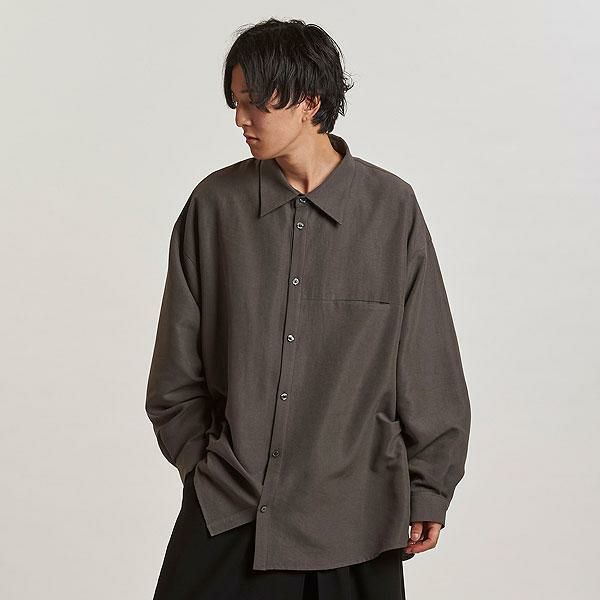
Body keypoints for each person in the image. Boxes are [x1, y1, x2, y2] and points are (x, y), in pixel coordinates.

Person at [145, 17, 471, 600]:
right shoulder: (214, 207)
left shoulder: (391, 209)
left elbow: (428, 363)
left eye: (255, 103)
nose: (241, 119)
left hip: (355, 522)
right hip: (230, 513)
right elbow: (175, 374)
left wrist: (429, 488)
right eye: (236, 103)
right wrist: (206, 467)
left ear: (309, 102)